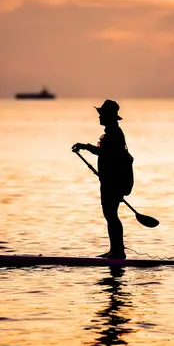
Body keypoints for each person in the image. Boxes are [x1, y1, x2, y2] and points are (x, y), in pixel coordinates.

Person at [72, 99, 129, 259]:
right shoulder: (111, 132)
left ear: (109, 116)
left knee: (111, 214)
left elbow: (104, 153)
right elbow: (105, 152)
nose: (99, 117)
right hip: (109, 180)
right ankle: (115, 250)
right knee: (110, 214)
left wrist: (85, 146)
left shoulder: (114, 133)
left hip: (112, 181)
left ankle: (117, 251)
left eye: (102, 114)